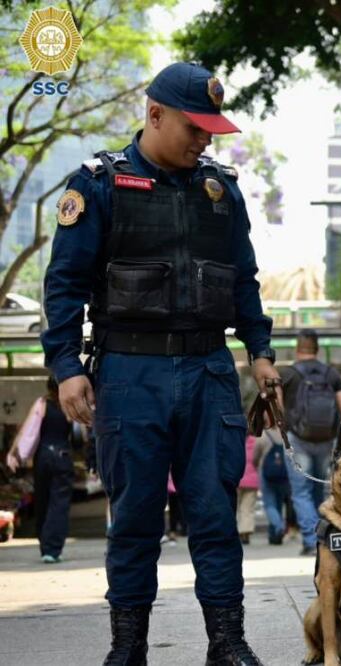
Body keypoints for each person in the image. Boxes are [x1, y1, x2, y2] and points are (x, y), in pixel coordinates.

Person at [41, 62, 277, 666]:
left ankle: (227, 643)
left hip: (208, 373)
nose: (204, 141)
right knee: (136, 522)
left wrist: (261, 353)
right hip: (129, 374)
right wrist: (67, 366)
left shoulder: (220, 190)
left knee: (215, 519)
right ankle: (129, 649)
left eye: (210, 131)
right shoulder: (96, 185)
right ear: (154, 115)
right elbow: (64, 285)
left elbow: (243, 280)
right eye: (194, 128)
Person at [279, 329, 341, 555]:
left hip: (298, 439)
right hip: (326, 439)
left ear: (297, 348)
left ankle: (312, 539)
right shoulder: (330, 373)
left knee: (301, 491)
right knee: (319, 489)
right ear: (317, 348)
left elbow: (278, 408)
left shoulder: (289, 374)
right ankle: (323, 534)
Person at [6, 376, 76, 564]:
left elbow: (27, 430)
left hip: (43, 457)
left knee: (43, 501)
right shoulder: (69, 404)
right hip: (63, 456)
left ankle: (45, 546)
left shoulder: (41, 403)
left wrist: (15, 452)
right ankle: (53, 549)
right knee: (59, 504)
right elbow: (80, 432)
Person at [254, 429, 290, 545]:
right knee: (278, 505)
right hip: (283, 475)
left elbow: (255, 457)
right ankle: (274, 536)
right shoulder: (286, 434)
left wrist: (257, 466)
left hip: (266, 474)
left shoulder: (263, 435)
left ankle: (279, 526)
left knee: (269, 504)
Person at [236, 433, 260, 545]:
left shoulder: (235, 441)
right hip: (252, 481)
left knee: (237, 507)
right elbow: (258, 459)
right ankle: (246, 531)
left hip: (237, 479)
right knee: (248, 508)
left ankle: (239, 531)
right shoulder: (255, 441)